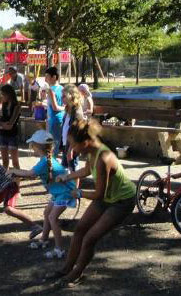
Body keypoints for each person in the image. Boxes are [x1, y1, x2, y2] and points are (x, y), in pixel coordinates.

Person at [47, 119, 137, 288]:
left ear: (85, 142)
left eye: (73, 144)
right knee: (80, 229)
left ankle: (77, 273)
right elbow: (87, 170)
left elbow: (98, 194)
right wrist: (66, 176)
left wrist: (79, 193)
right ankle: (67, 268)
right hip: (106, 198)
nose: (71, 148)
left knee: (89, 238)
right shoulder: (91, 151)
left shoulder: (103, 158)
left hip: (121, 201)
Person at [7, 130, 76, 259]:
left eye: (32, 144)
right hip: (59, 193)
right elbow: (33, 175)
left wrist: (14, 170)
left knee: (52, 218)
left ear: (37, 146)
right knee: (47, 213)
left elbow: (30, 174)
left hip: (65, 193)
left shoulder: (44, 162)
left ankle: (59, 249)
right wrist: (17, 173)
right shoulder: (45, 160)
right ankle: (44, 239)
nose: (31, 147)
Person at [0, 84, 22, 169]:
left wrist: (1, 124)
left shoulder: (16, 106)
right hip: (3, 135)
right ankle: (5, 179)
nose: (1, 96)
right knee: (5, 161)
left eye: (3, 94)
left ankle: (17, 179)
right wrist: (2, 124)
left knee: (15, 162)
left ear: (8, 94)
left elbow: (10, 125)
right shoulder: (4, 105)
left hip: (12, 135)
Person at [61, 85, 85, 174]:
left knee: (73, 169)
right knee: (65, 169)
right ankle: (68, 188)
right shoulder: (68, 109)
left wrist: (70, 149)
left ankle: (75, 188)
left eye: (64, 96)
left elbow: (77, 132)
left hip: (72, 146)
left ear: (71, 95)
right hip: (65, 144)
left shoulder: (77, 111)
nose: (62, 98)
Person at [44, 67, 65, 155]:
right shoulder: (62, 88)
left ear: (54, 77)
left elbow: (55, 107)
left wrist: (64, 108)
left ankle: (51, 167)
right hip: (60, 119)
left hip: (53, 120)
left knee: (52, 147)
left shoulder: (51, 90)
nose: (45, 79)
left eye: (47, 76)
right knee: (55, 144)